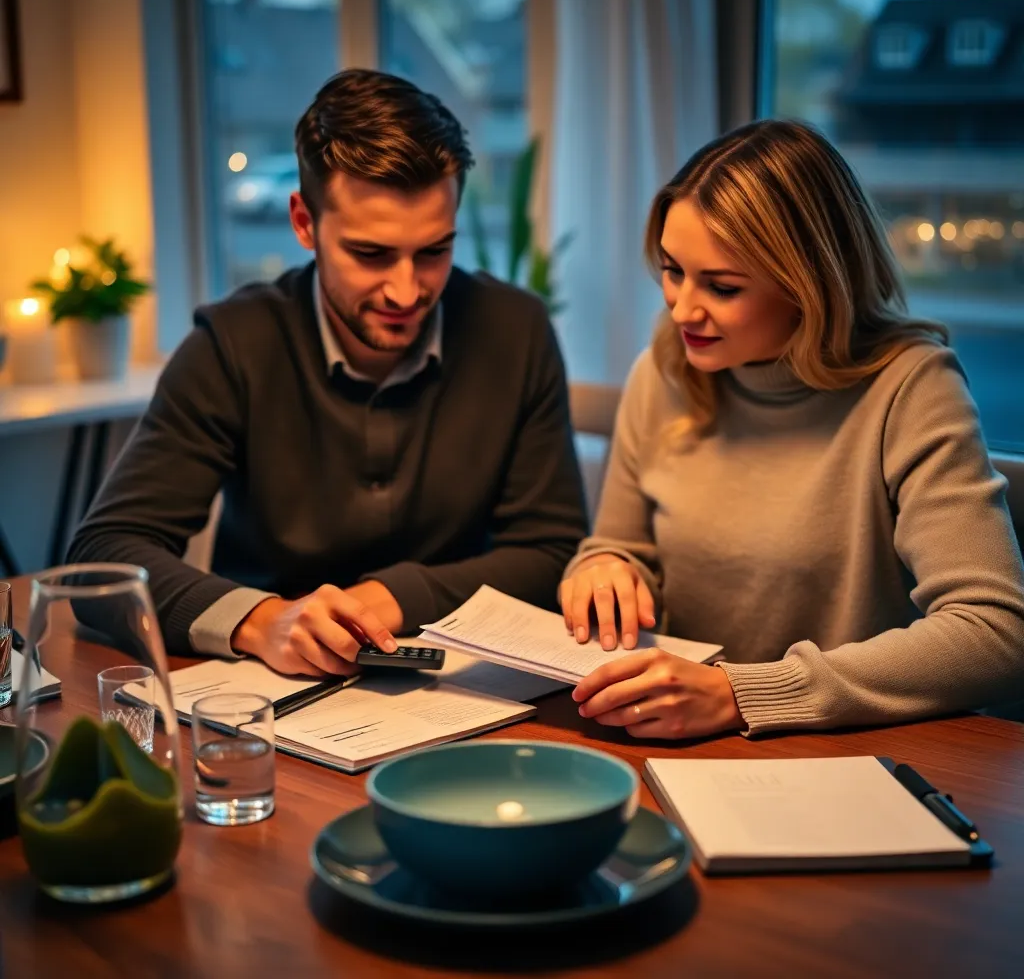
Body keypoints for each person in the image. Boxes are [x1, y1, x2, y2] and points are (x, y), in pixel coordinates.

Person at [68, 69, 587, 676]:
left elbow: (552, 551)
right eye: (370, 254)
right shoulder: (234, 344)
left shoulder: (515, 330)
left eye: (434, 251)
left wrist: (389, 599)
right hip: (268, 692)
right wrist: (262, 621)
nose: (406, 291)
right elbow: (103, 559)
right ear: (304, 222)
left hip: (465, 683)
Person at [560, 119, 1024, 739]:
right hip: (679, 741)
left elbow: (996, 632)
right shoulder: (665, 370)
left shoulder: (911, 387)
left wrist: (742, 693)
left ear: (809, 285)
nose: (682, 309)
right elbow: (620, 547)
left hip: (848, 752)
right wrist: (604, 568)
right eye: (672, 270)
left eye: (722, 287)